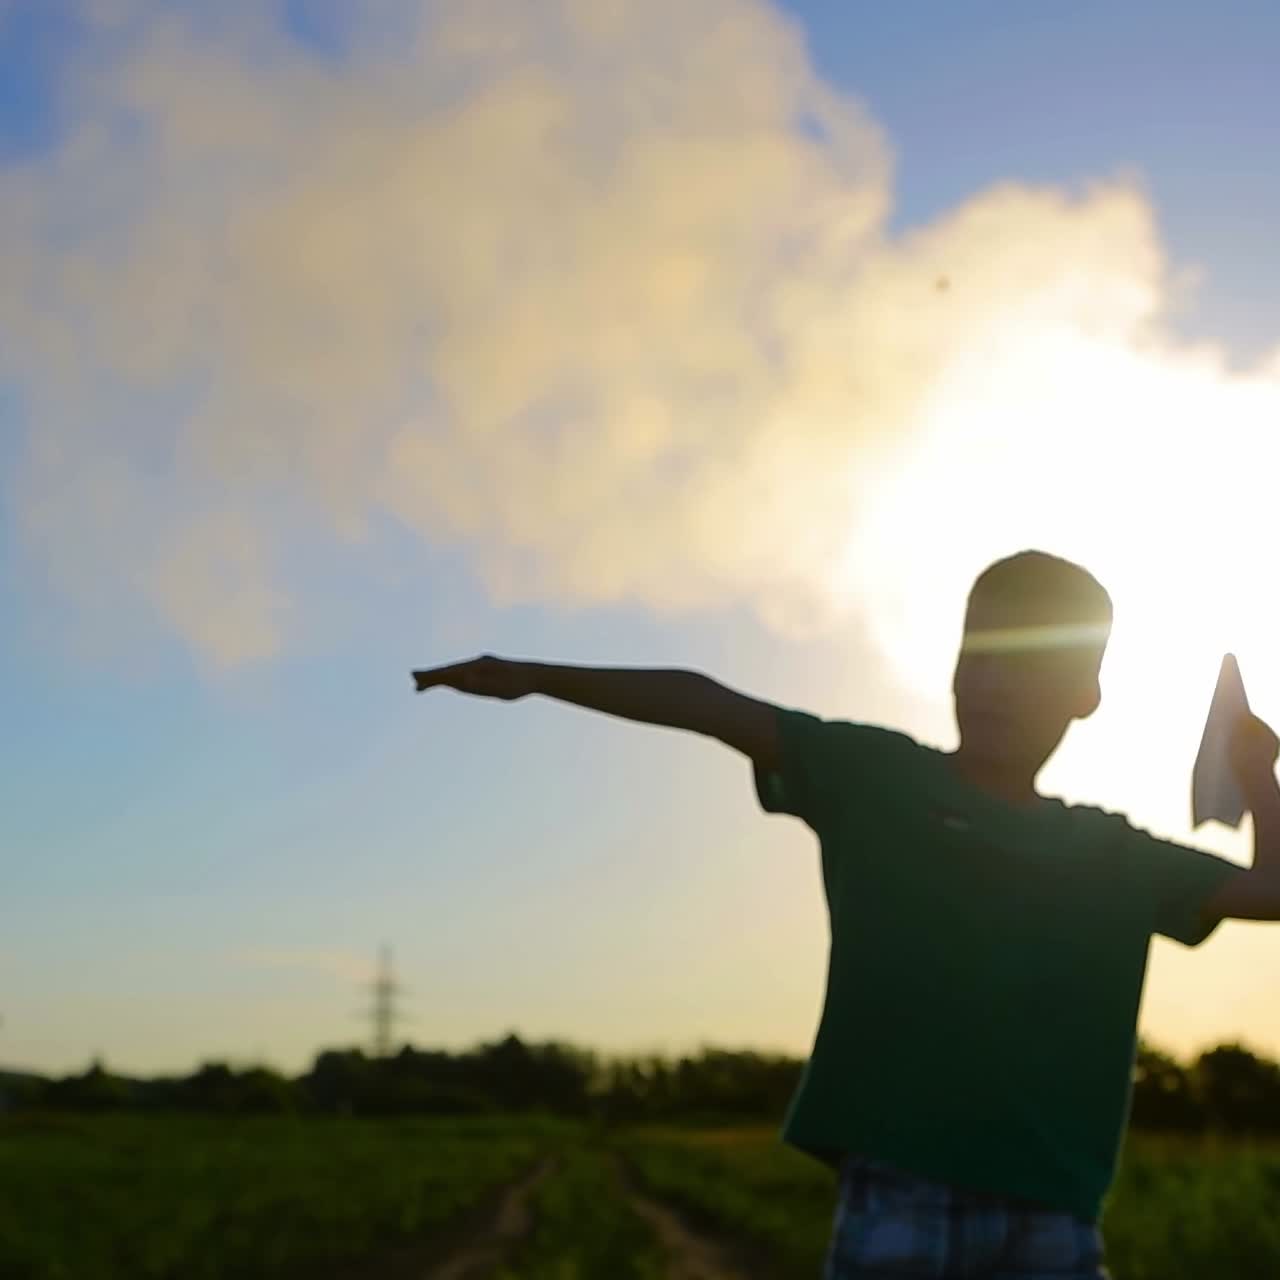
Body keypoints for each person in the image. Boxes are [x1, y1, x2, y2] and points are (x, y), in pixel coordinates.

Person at [412, 549, 1280, 1279]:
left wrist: (1259, 778)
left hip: (1055, 1224)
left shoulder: (1117, 856)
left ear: (1086, 695)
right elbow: (709, 702)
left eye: (1028, 669)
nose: (991, 686)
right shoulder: (877, 777)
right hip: (899, 1196)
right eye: (977, 657)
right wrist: (535, 677)